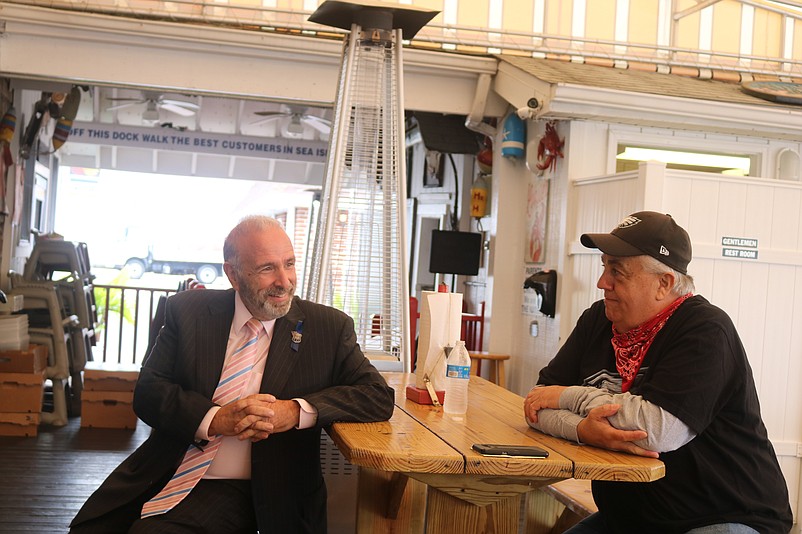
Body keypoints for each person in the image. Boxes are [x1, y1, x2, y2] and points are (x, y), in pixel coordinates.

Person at [70, 215, 395, 534]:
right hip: (169, 470)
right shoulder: (187, 312)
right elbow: (149, 393)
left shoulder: (326, 328)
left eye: (289, 263)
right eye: (267, 268)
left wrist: (295, 411)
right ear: (233, 274)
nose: (284, 281)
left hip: (271, 492)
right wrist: (214, 419)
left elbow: (377, 396)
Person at [523, 211, 792, 534]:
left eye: (617, 271)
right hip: (633, 520)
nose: (602, 282)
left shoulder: (705, 331)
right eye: (604, 266)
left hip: (724, 517)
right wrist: (583, 430)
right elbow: (537, 404)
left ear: (663, 284)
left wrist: (568, 397)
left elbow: (658, 431)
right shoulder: (599, 319)